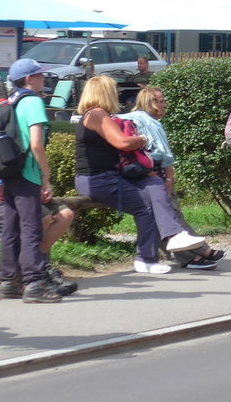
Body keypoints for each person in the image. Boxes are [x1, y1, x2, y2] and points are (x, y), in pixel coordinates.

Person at [73, 74, 205, 274]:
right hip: (97, 179)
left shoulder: (96, 115)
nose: (117, 94)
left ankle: (174, 235)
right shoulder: (97, 114)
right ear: (105, 93)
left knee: (155, 185)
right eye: (114, 90)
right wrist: (143, 139)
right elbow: (123, 143)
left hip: (108, 177)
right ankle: (146, 258)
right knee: (145, 207)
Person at [0, 137, 78, 293]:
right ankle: (37, 274)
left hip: (14, 193)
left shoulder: (13, 137)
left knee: (60, 216)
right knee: (28, 229)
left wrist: (41, 186)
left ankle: (35, 269)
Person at [119, 86, 222, 269]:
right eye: (161, 101)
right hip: (152, 174)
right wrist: (167, 179)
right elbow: (165, 156)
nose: (165, 104)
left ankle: (190, 255)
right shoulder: (150, 123)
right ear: (151, 103)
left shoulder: (129, 119)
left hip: (133, 174)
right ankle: (197, 253)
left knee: (159, 217)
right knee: (172, 216)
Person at [0, 58, 67, 303]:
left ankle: (8, 281)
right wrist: (46, 176)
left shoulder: (10, 101)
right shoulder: (33, 101)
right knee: (31, 227)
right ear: (28, 79)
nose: (43, 78)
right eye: (39, 75)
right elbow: (36, 144)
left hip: (9, 172)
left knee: (11, 227)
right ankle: (33, 282)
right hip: (27, 173)